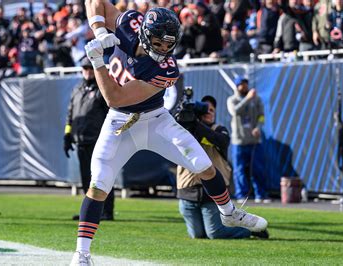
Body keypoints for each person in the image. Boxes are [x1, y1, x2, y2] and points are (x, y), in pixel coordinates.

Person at [71, 3, 268, 264]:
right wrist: (98, 29)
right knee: (98, 185)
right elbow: (93, 3)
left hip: (154, 120)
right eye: (158, 43)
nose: (163, 50)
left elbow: (114, 96)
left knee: (203, 164)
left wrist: (98, 62)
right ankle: (82, 253)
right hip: (119, 124)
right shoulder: (129, 23)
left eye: (168, 45)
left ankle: (229, 212)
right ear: (142, 33)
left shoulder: (167, 70)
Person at [177, 95, 269, 239]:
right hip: (187, 191)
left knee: (214, 233)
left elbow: (219, 141)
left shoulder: (220, 130)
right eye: (205, 109)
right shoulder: (185, 130)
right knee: (197, 235)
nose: (209, 112)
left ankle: (249, 230)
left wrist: (195, 122)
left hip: (212, 194)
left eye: (212, 110)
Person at [64, 55, 115, 221]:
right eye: (85, 68)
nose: (87, 71)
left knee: (102, 176)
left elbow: (111, 112)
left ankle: (106, 211)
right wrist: (67, 134)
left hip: (98, 140)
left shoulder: (102, 88)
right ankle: (90, 211)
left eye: (90, 68)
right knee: (87, 178)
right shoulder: (77, 89)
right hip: (81, 140)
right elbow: (71, 114)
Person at [227, 77, 270, 203]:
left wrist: (258, 127)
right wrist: (247, 99)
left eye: (246, 84)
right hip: (239, 141)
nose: (245, 87)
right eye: (242, 85)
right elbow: (235, 111)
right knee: (239, 170)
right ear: (237, 86)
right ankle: (242, 195)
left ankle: (261, 195)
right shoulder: (232, 100)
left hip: (255, 141)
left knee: (258, 169)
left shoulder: (257, 99)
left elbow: (261, 116)